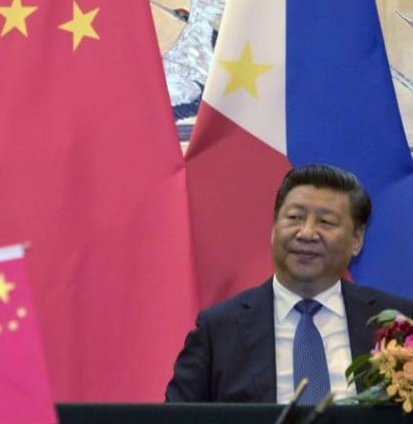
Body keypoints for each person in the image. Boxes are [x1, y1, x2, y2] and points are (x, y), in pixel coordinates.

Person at [166, 164, 413, 403]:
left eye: (325, 222)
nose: (306, 233)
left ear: (357, 239)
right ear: (274, 228)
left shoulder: (400, 322)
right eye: (295, 217)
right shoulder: (218, 330)